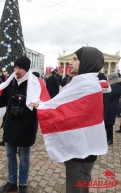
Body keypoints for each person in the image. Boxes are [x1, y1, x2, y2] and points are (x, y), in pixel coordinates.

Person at [32, 47, 107, 193]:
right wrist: (43, 106)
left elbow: (69, 114)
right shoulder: (83, 83)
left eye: (75, 59)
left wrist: (42, 108)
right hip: (78, 146)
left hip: (82, 151)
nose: (70, 63)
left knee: (77, 188)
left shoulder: (87, 85)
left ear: (86, 62)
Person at [0, 56, 40, 193]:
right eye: (15, 68)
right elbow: (2, 102)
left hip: (26, 128)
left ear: (27, 69)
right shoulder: (10, 83)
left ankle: (22, 184)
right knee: (10, 155)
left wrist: (39, 105)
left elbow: (45, 104)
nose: (17, 71)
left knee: (24, 157)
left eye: (20, 68)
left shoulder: (35, 85)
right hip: (10, 127)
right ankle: (12, 182)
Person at [105, 72, 121, 144]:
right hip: (110, 105)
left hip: (112, 106)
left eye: (109, 78)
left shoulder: (116, 86)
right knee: (108, 123)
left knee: (109, 123)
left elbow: (110, 95)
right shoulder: (114, 85)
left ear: (112, 79)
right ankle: (108, 138)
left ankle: (110, 139)